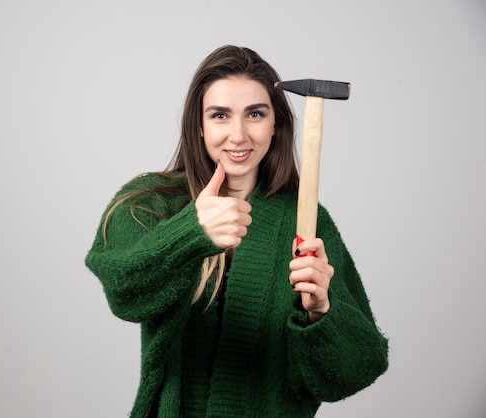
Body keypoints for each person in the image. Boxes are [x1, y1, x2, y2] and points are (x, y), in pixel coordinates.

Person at [85, 45, 388, 417]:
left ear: (276, 124)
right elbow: (125, 294)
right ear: (199, 125)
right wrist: (191, 234)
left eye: (255, 114)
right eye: (220, 115)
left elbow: (357, 371)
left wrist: (321, 313)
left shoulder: (308, 222)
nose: (238, 134)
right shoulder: (147, 203)